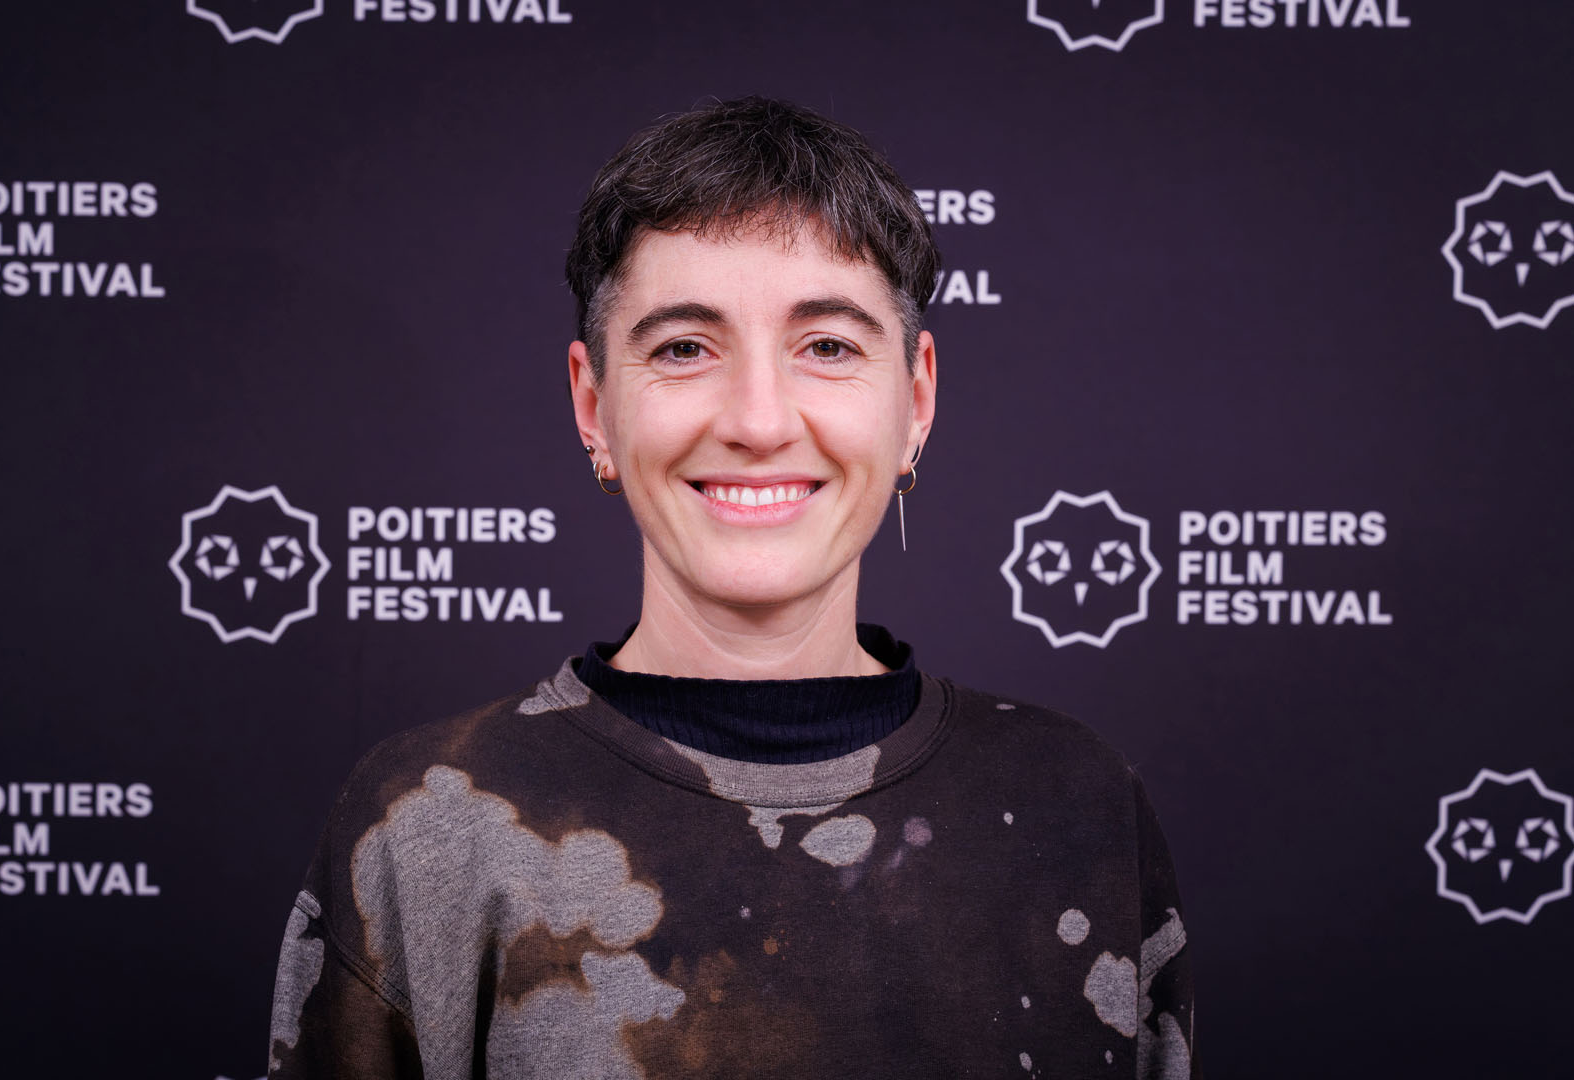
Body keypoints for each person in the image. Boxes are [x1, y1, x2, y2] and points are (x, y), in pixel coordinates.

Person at [268, 96, 1198, 1079]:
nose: (758, 421)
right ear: (593, 405)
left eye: (827, 346)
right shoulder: (430, 825)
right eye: (684, 348)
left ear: (915, 399)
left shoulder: (1075, 803)